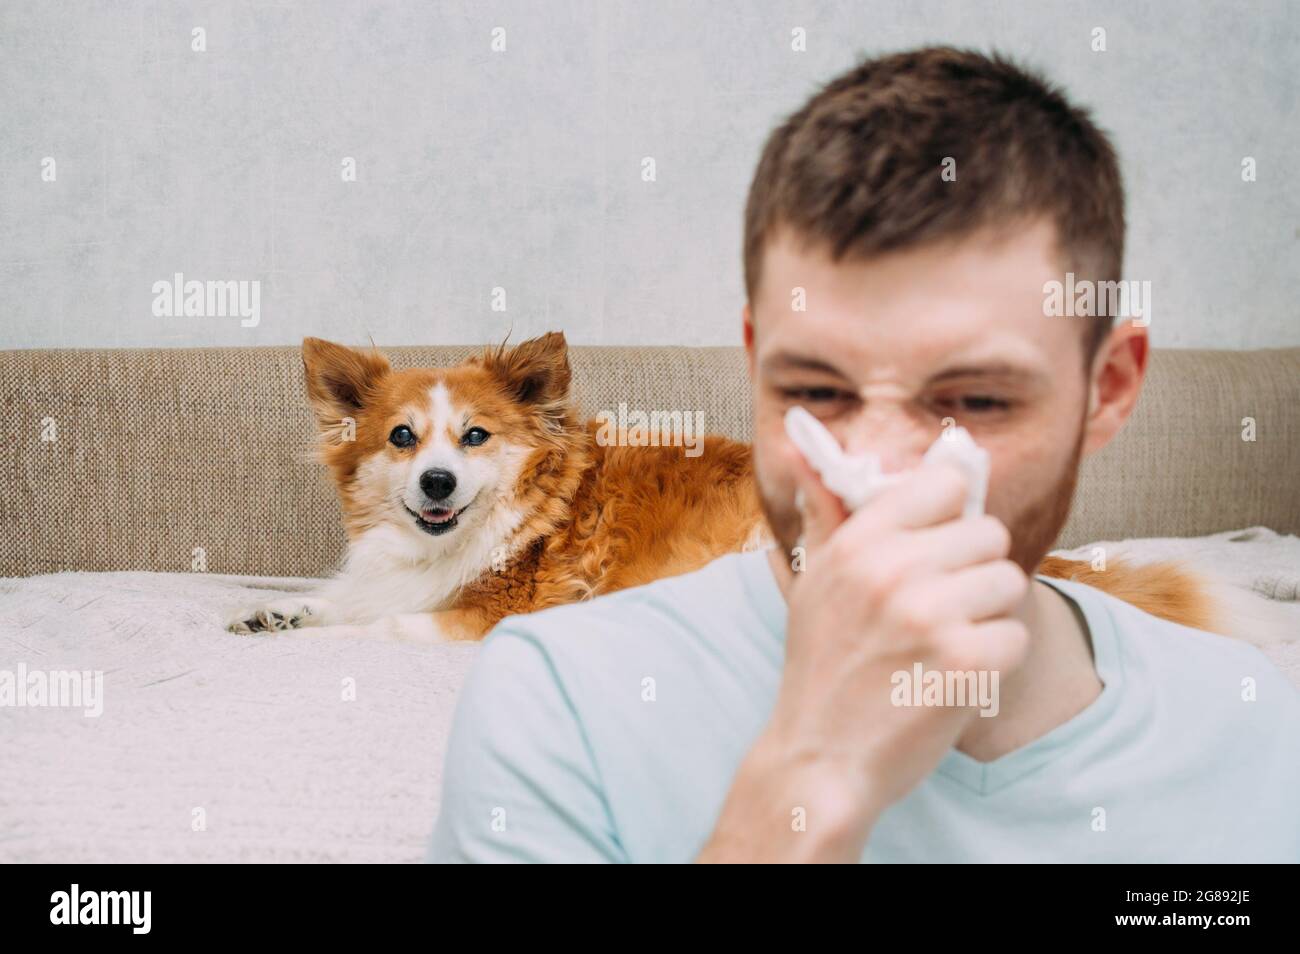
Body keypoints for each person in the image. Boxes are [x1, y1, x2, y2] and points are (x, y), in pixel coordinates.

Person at [428, 46, 1299, 863]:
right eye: (816, 392)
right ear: (756, 360)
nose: (881, 473)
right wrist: (808, 781)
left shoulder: (1246, 724)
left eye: (978, 400)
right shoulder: (553, 705)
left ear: (1106, 390)